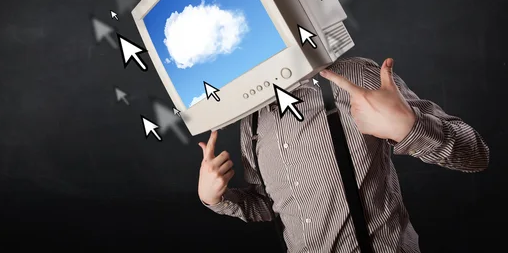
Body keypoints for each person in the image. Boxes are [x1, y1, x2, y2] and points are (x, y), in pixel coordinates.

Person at [197, 57, 489, 253]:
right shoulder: (252, 120)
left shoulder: (353, 76)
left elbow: (476, 155)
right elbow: (270, 204)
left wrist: (409, 128)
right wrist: (215, 199)